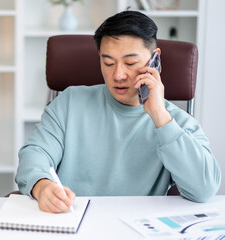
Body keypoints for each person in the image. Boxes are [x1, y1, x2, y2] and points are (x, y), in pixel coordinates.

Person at [15, 11, 221, 213]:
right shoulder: (69, 102)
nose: (118, 75)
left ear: (154, 60)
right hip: (71, 220)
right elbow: (35, 153)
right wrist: (42, 186)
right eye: (108, 63)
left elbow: (204, 189)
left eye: (130, 63)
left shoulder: (176, 122)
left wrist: (159, 115)